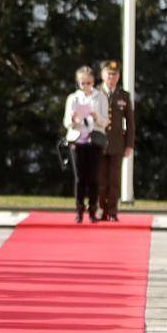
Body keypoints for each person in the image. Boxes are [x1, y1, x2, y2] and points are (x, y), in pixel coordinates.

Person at [62, 65, 108, 222]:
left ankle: (93, 209)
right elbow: (66, 122)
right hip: (78, 139)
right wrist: (73, 119)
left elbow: (105, 122)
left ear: (93, 81)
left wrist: (95, 116)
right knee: (80, 177)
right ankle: (79, 209)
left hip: (94, 140)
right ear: (78, 83)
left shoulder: (100, 97)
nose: (86, 86)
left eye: (89, 83)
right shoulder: (73, 98)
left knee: (94, 177)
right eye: (83, 83)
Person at [98, 60, 135, 221]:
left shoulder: (124, 96)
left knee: (114, 179)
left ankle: (112, 211)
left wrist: (129, 144)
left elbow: (130, 123)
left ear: (118, 76)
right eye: (108, 74)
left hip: (116, 143)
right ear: (102, 75)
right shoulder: (95, 93)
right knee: (100, 179)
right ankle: (101, 209)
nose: (111, 77)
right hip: (98, 142)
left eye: (114, 75)